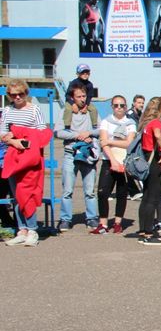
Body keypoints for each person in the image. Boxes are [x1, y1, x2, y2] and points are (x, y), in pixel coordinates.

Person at [2, 80, 50, 247]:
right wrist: (14, 141)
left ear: (26, 93)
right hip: (13, 156)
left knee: (27, 194)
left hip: (30, 157)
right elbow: (2, 133)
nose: (17, 97)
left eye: (20, 94)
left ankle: (32, 230)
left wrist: (20, 135)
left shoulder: (34, 109)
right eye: (13, 94)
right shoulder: (7, 110)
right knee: (16, 195)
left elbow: (42, 132)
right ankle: (21, 230)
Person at [55, 82, 100, 231]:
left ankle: (92, 218)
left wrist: (89, 133)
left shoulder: (92, 111)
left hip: (88, 154)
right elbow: (58, 132)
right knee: (67, 190)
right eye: (79, 96)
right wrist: (77, 135)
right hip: (70, 154)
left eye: (84, 96)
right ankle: (65, 219)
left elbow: (101, 130)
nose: (82, 99)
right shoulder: (66, 111)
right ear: (72, 98)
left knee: (90, 191)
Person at [94, 95, 135, 235]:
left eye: (122, 105)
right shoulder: (106, 122)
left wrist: (110, 141)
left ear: (126, 107)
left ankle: (118, 222)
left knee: (122, 193)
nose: (119, 108)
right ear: (112, 107)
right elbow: (102, 141)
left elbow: (129, 143)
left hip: (124, 161)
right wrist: (112, 160)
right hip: (109, 160)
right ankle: (103, 223)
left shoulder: (130, 123)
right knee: (102, 192)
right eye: (116, 105)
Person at [136, 97, 161, 246]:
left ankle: (143, 230)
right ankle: (149, 234)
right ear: (160, 109)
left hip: (146, 159)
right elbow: (158, 136)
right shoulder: (156, 122)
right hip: (154, 161)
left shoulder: (145, 123)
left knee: (146, 197)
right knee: (153, 197)